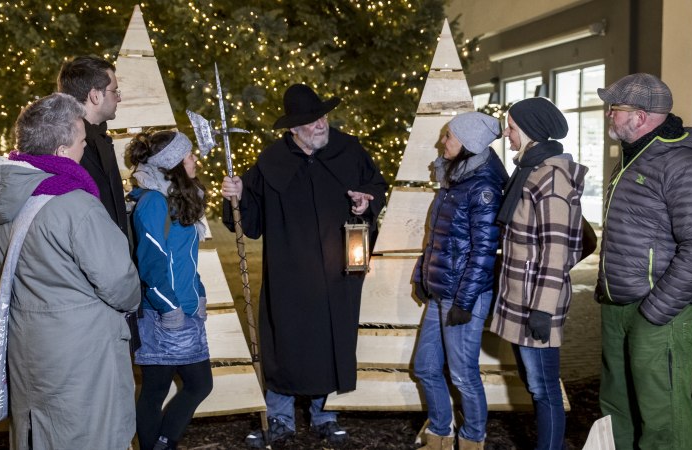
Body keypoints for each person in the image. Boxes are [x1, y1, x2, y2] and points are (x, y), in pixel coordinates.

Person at [221, 83, 388, 448]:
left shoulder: (349, 149)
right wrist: (235, 196)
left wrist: (365, 203)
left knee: (329, 341)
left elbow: (375, 185)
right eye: (311, 121)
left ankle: (324, 416)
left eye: (322, 116)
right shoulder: (270, 162)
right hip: (289, 274)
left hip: (336, 273)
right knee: (285, 341)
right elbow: (247, 218)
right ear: (293, 129)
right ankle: (280, 417)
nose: (320, 124)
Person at [0, 93, 141, 449]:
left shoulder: (2, 201)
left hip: (28, 343)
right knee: (89, 433)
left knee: (39, 432)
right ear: (60, 150)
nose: (86, 149)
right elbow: (120, 283)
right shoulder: (76, 204)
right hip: (83, 355)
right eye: (82, 141)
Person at [595, 73, 692, 449]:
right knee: (616, 407)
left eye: (614, 109)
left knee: (664, 416)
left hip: (659, 311)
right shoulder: (633, 161)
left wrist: (655, 311)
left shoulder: (685, 166)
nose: (609, 116)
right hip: (618, 305)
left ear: (640, 116)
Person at [490, 97, 588, 450]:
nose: (507, 134)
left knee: (545, 390)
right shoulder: (529, 169)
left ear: (530, 131)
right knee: (536, 387)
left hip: (536, 304)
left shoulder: (551, 178)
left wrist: (544, 309)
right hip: (522, 299)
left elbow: (557, 249)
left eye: (512, 128)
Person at [412, 112, 508, 450]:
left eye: (448, 137)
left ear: (467, 144)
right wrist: (422, 274)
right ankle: (440, 432)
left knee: (463, 374)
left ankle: (473, 439)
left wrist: (465, 304)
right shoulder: (455, 179)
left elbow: (484, 252)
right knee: (425, 366)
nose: (442, 142)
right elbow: (438, 236)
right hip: (442, 290)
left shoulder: (482, 188)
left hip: (464, 296)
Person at [127, 130, 213, 450]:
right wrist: (170, 309)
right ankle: (160, 444)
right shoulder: (152, 201)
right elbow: (151, 265)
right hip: (164, 314)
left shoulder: (176, 199)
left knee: (175, 386)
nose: (194, 159)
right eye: (188, 155)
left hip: (185, 310)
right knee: (174, 387)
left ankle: (160, 444)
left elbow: (185, 258)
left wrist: (200, 293)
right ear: (173, 163)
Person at [57, 55, 127, 236]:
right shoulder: (66, 148)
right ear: (95, 96)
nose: (118, 99)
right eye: (115, 91)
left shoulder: (101, 139)